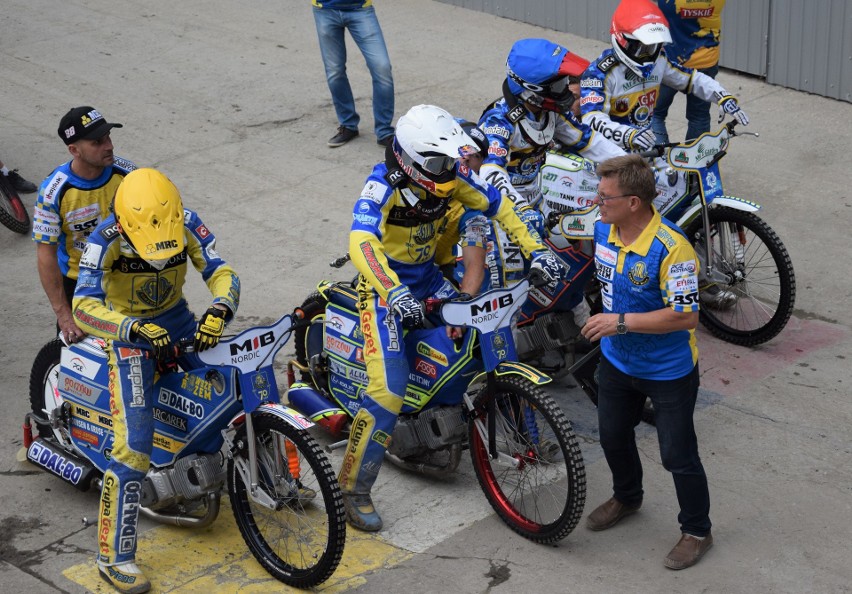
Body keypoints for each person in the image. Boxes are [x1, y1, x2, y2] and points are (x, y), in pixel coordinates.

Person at [340, 104, 564, 531]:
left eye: (452, 162)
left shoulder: (452, 182)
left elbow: (503, 208)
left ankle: (522, 432)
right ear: (413, 160)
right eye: (442, 164)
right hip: (384, 292)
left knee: (491, 332)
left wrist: (538, 250)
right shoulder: (381, 186)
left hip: (428, 281)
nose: (452, 171)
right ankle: (354, 487)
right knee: (387, 393)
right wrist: (394, 292)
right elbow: (361, 242)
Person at [72, 168, 240, 593]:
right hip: (128, 335)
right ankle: (113, 557)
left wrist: (220, 307)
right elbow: (83, 307)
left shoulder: (186, 221)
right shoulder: (103, 239)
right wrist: (131, 330)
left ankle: (197, 477)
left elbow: (221, 271)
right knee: (134, 446)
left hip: (181, 322)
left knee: (228, 396)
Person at [580, 154, 712, 571]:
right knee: (613, 437)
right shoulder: (604, 228)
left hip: (668, 372)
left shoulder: (674, 250)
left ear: (634, 201)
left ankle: (697, 530)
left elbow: (686, 316)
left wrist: (619, 322)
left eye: (604, 196)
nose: (597, 202)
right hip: (617, 364)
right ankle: (627, 496)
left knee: (678, 455)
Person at [579, 0, 746, 309]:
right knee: (630, 219)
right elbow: (590, 118)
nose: (649, 54)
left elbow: (691, 79)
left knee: (681, 198)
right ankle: (623, 282)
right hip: (610, 159)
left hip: (648, 153)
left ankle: (689, 276)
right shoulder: (599, 73)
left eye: (655, 46)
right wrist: (627, 134)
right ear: (622, 40)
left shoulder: (658, 60)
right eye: (643, 47)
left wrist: (723, 95)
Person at [479, 38, 625, 221]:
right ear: (532, 90)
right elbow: (490, 171)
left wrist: (629, 164)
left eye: (563, 83)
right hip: (501, 212)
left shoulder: (551, 112)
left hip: (538, 202)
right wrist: (521, 208)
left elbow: (588, 141)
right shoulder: (499, 121)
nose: (564, 90)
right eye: (557, 86)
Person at [32, 106, 136, 344]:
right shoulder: (53, 191)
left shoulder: (129, 174)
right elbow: (45, 255)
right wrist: (64, 315)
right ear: (74, 150)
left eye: (108, 137)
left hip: (127, 277)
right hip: (80, 287)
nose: (109, 145)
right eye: (97, 142)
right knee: (76, 367)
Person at [312, 0, 395, 148]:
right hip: (324, 9)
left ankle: (384, 132)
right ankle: (348, 125)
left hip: (360, 9)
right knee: (334, 71)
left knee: (382, 68)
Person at [652, 0, 727, 144]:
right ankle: (694, 163)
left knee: (655, 114)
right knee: (699, 116)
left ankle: (661, 158)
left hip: (670, 64)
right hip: (706, 60)